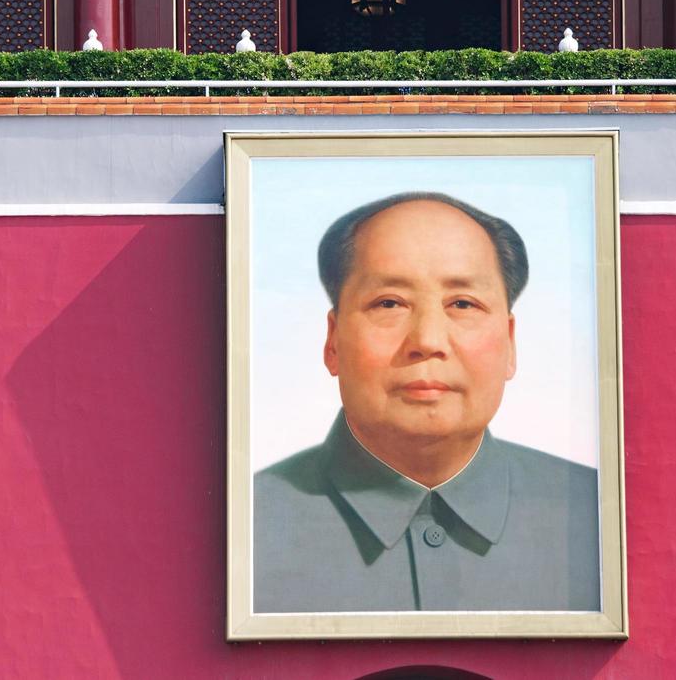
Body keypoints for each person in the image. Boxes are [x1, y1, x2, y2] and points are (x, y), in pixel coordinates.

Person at [253, 191, 600, 613]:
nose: (428, 342)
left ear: (510, 344)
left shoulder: (598, 518)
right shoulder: (245, 526)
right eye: (389, 303)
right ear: (332, 342)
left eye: (462, 304)